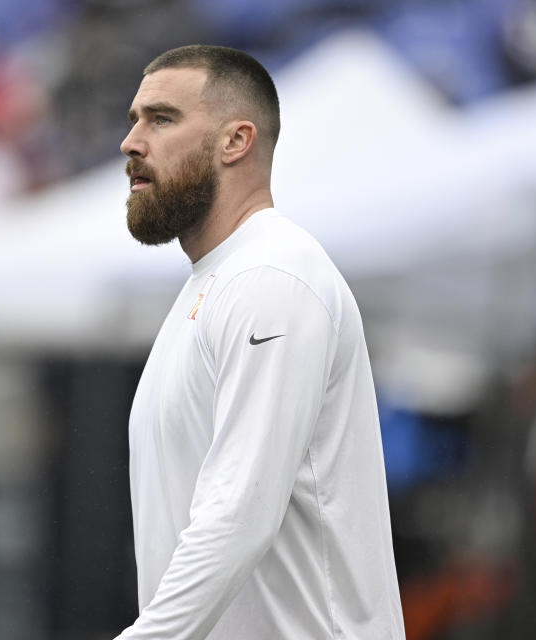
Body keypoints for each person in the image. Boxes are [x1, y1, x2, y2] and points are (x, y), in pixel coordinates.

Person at [115, 45, 405, 639]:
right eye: (134, 120)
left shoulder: (271, 276)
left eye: (161, 119)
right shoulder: (220, 282)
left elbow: (236, 515)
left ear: (235, 140)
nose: (131, 143)